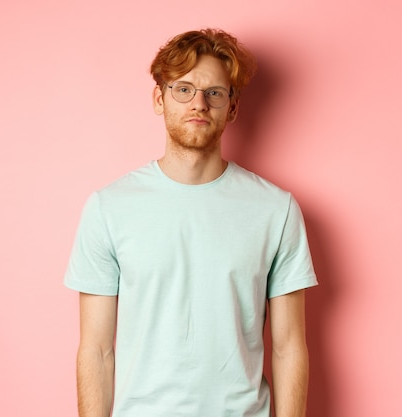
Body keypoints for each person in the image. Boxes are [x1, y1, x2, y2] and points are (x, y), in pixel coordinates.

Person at [64, 28, 318, 417]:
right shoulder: (109, 208)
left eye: (214, 93)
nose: (198, 103)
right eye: (183, 89)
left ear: (232, 108)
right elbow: (96, 350)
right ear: (159, 99)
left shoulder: (275, 209)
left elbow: (288, 347)